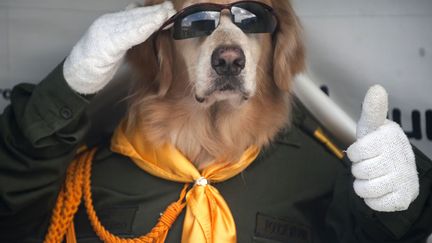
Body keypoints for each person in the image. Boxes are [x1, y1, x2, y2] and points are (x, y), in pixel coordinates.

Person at [0, 1, 431, 243]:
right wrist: (69, 84)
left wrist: (393, 208)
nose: (229, 48)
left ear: (277, 52)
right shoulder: (85, 180)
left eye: (252, 19)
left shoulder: (317, 175)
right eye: (197, 20)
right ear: (161, 54)